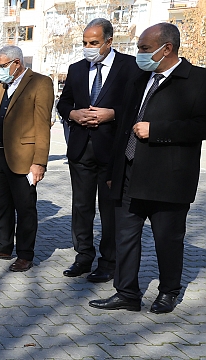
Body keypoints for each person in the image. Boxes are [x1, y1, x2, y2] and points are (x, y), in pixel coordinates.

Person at [89, 23, 206, 314]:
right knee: (125, 237)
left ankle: (168, 291)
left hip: (168, 179)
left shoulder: (198, 79)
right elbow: (124, 126)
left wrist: (157, 130)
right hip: (129, 173)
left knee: (167, 240)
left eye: (143, 48)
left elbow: (201, 126)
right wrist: (113, 172)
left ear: (166, 49)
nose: (139, 54)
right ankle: (126, 292)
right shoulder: (139, 78)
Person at [56, 18, 140, 283]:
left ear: (109, 42)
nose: (88, 47)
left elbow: (138, 105)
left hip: (113, 151)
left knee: (109, 208)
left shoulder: (130, 67)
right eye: (84, 43)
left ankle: (109, 261)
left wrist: (112, 114)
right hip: (81, 149)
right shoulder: (77, 69)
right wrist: (73, 113)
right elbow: (63, 102)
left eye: (93, 43)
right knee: (81, 207)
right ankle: (83, 256)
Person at [0, 46, 54, 272]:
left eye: (1, 66)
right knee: (2, 205)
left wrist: (39, 162)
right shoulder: (1, 87)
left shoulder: (40, 83)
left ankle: (25, 254)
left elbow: (42, 127)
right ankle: (2, 245)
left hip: (24, 160)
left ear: (16, 63)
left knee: (25, 208)